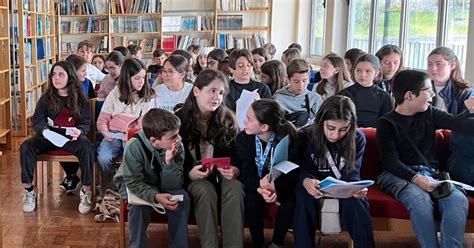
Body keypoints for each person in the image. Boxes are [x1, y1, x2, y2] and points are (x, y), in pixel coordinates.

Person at [376, 69, 474, 248]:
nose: (432, 95)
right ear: (409, 96)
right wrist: (416, 178)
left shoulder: (430, 112)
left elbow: (458, 124)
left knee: (457, 200)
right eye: (428, 91)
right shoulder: (386, 123)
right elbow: (390, 160)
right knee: (419, 200)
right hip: (396, 174)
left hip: (431, 174)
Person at [175, 69, 245, 248]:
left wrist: (235, 169)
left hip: (221, 174)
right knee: (204, 191)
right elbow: (171, 159)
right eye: (212, 91)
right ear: (197, 91)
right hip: (193, 177)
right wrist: (189, 174)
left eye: (221, 93)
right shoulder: (179, 120)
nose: (216, 97)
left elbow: (238, 156)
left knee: (236, 188)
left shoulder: (227, 119)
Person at [293, 95, 375, 248]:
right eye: (331, 128)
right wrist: (305, 180)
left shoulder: (357, 138)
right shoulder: (305, 136)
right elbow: (302, 168)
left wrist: (355, 187)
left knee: (358, 202)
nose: (335, 135)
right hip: (313, 185)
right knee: (303, 199)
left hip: (343, 185)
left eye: (343, 129)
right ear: (321, 122)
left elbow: (352, 172)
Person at [20, 61, 94, 213]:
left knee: (86, 146)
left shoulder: (81, 98)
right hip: (49, 136)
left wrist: (80, 131)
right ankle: (28, 190)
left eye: (61, 74)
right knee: (26, 146)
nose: (56, 78)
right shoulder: (46, 97)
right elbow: (38, 120)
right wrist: (44, 131)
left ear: (70, 77)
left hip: (70, 137)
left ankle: (86, 191)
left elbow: (86, 122)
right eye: (54, 74)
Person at [113, 108, 190, 248]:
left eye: (177, 134)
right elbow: (134, 183)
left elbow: (173, 185)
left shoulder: (177, 146)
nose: (178, 139)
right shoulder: (134, 147)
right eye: (173, 137)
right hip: (133, 183)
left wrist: (169, 163)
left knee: (182, 199)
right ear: (154, 140)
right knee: (138, 208)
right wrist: (156, 197)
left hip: (158, 182)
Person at [236, 99, 299, 248]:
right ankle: (258, 244)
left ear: (264, 126)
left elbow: (293, 173)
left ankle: (276, 244)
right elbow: (246, 172)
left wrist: (277, 190)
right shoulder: (243, 139)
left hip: (282, 185)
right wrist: (260, 187)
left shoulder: (291, 139)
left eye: (249, 119)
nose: (244, 121)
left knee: (288, 201)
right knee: (251, 200)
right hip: (256, 184)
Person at [96, 58, 155, 193]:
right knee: (103, 157)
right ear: (127, 78)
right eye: (137, 78)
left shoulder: (148, 96)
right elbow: (102, 120)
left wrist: (129, 134)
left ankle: (127, 189)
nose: (141, 81)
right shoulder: (115, 94)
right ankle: (108, 187)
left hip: (133, 136)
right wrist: (104, 131)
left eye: (143, 77)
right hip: (113, 134)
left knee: (132, 158)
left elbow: (144, 124)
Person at [426, 47, 474, 186]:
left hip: (451, 145)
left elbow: (462, 126)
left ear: (452, 65)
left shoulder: (465, 94)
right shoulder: (422, 91)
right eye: (429, 64)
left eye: (438, 64)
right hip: (429, 143)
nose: (433, 68)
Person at [57, 54, 96, 194]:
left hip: (83, 124)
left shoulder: (87, 83)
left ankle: (76, 178)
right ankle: (71, 175)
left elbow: (92, 102)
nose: (85, 74)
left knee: (81, 143)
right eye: (83, 71)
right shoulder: (61, 87)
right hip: (65, 125)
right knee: (61, 141)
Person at [340, 53, 393, 127]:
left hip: (375, 134)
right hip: (351, 133)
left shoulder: (384, 96)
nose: (362, 75)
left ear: (376, 73)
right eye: (358, 70)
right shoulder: (344, 93)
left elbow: (386, 123)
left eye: (368, 71)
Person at [273, 59, 322, 128]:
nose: (301, 86)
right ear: (288, 79)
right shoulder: (278, 98)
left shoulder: (315, 98)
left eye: (304, 81)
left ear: (309, 78)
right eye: (296, 81)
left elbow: (320, 123)